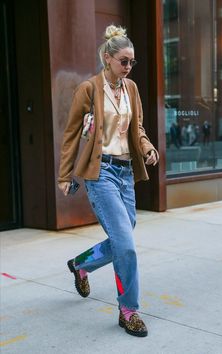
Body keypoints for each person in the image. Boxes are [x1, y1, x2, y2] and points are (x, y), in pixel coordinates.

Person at [58, 24, 159, 338]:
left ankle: (82, 264)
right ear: (107, 58)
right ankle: (128, 310)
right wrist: (64, 175)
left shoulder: (131, 89)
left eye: (132, 62)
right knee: (126, 246)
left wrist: (147, 147)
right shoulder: (89, 89)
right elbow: (73, 134)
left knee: (122, 237)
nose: (129, 67)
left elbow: (137, 128)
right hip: (100, 174)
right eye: (124, 61)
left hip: (126, 173)